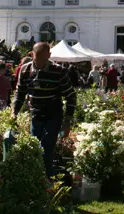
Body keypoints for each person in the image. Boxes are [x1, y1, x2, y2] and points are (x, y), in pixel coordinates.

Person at [12, 42, 76, 177]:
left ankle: (48, 180)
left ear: (49, 55)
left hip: (53, 113)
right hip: (36, 113)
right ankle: (38, 178)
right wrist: (14, 112)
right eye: (37, 59)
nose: (40, 64)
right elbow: (20, 93)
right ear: (31, 55)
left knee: (47, 146)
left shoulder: (59, 71)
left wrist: (67, 121)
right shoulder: (25, 70)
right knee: (35, 146)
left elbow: (70, 96)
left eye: (44, 60)